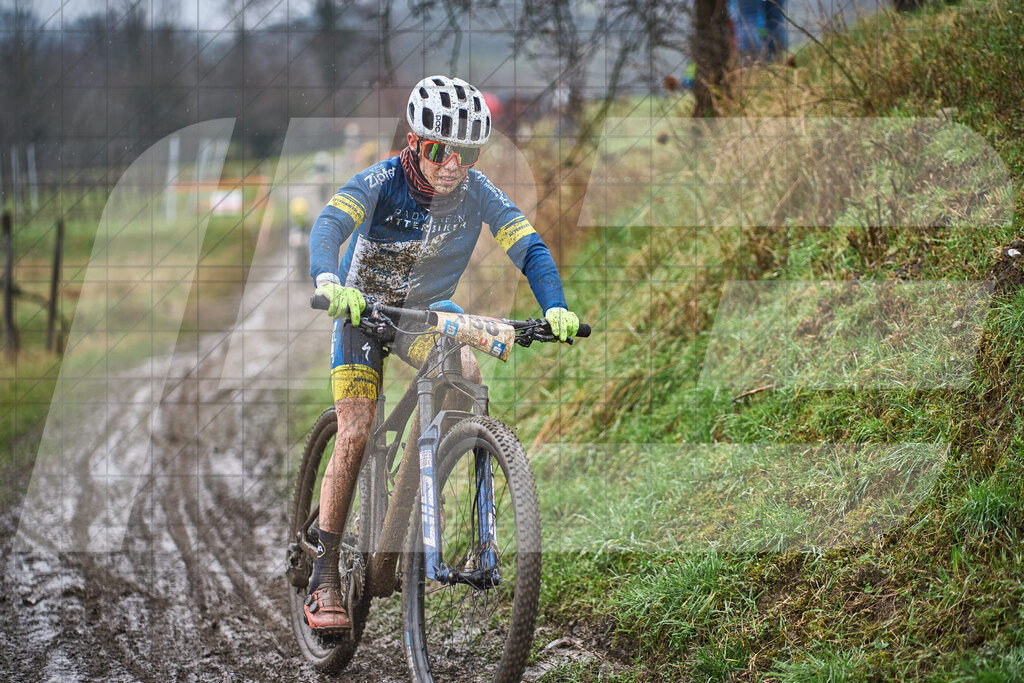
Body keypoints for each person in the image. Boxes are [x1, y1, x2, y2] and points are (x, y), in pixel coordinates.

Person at [304, 75, 581, 633]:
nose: (452, 165)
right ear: (413, 142)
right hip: (364, 314)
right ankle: (324, 574)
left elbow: (529, 248)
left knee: (467, 368)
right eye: (438, 151)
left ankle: (425, 480)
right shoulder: (381, 181)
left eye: (467, 154)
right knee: (355, 429)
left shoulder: (479, 193)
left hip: (422, 318)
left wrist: (554, 305)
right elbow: (332, 222)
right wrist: (330, 280)